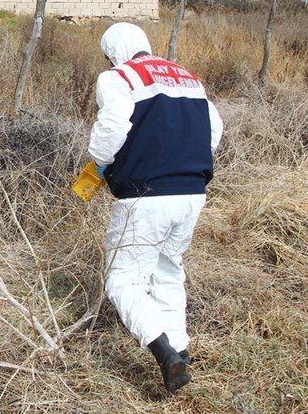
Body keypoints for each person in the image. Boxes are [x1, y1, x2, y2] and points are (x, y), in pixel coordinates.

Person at [88, 22, 223, 393]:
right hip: (192, 191)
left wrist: (98, 163)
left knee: (122, 279)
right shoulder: (187, 77)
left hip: (146, 194)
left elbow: (112, 127)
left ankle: (163, 352)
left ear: (113, 51)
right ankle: (181, 349)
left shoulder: (118, 77)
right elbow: (214, 130)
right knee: (167, 268)